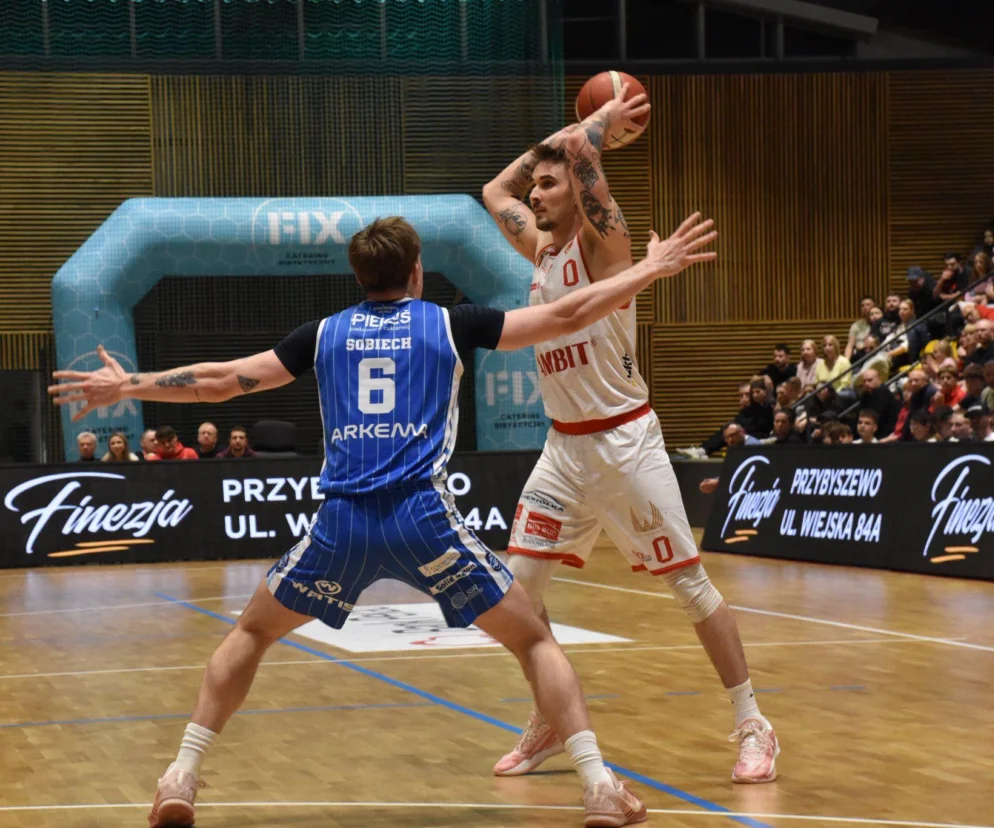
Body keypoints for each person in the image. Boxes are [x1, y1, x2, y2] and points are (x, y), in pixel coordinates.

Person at [49, 213, 718, 828]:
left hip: (341, 523)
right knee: (533, 639)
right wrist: (649, 268)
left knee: (251, 632)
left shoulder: (323, 334)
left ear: (359, 276)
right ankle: (599, 786)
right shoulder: (451, 323)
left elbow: (222, 381)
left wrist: (128, 384)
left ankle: (180, 775)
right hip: (422, 519)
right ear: (417, 270)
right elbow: (568, 313)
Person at [483, 89, 778, 786]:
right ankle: (551, 715)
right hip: (563, 449)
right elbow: (494, 190)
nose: (535, 193)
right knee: (517, 595)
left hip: (625, 442)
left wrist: (594, 126)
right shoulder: (540, 249)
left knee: (690, 587)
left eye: (549, 184)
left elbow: (578, 152)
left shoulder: (606, 246)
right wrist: (553, 147)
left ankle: (753, 723)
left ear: (579, 193)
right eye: (537, 185)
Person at [857, 368, 900, 438]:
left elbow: (876, 416)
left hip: (884, 432)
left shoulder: (883, 392)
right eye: (864, 381)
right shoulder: (866, 394)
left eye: (870, 380)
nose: (866, 383)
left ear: (879, 380)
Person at [844, 295, 875, 360]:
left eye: (868, 305)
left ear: (874, 306)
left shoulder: (881, 323)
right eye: (862, 306)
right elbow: (850, 346)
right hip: (859, 357)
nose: (865, 307)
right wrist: (846, 362)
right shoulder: (856, 325)